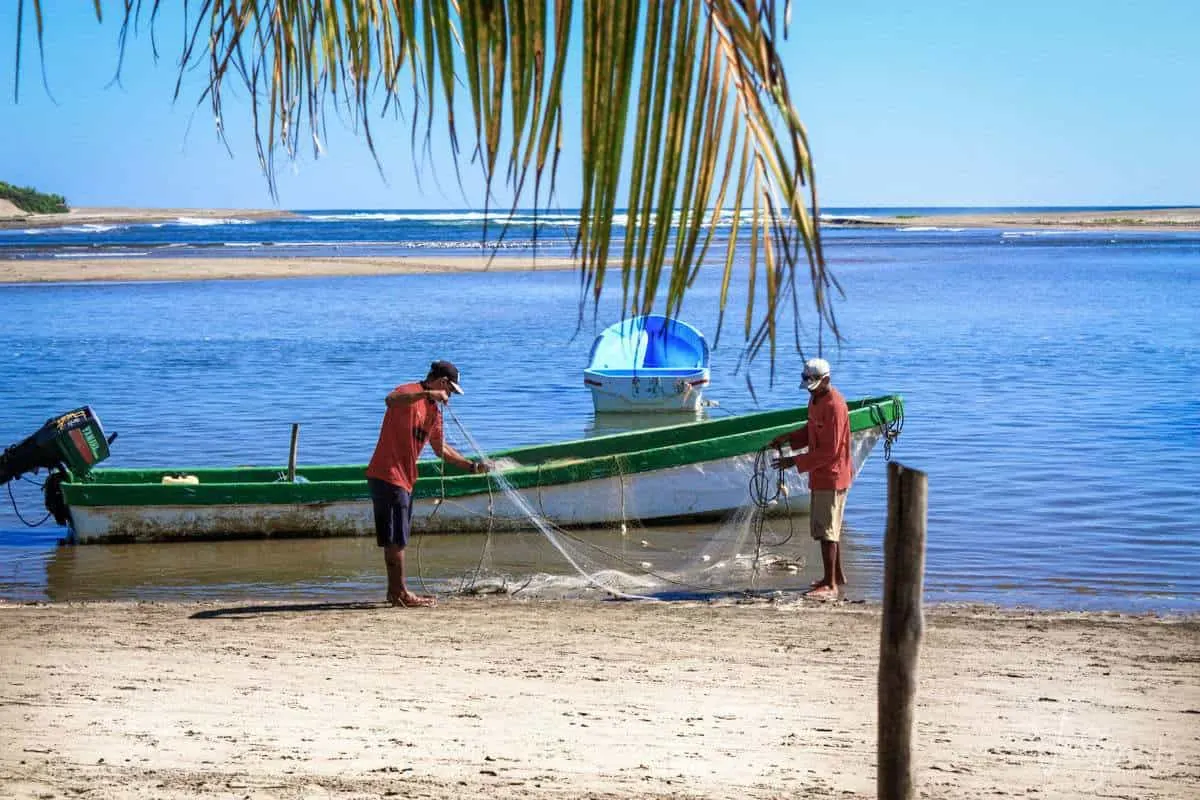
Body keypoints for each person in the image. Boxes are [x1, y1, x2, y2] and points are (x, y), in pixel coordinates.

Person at [366, 360, 488, 608]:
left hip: (406, 478)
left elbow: (440, 448)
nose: (450, 396)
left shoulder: (434, 411)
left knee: (398, 536)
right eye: (450, 390)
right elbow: (390, 400)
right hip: (387, 474)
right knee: (396, 539)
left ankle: (395, 592)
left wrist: (471, 467)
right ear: (442, 383)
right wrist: (426, 393)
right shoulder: (409, 392)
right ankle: (400, 593)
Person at [770, 357, 853, 600]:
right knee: (824, 528)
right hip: (819, 474)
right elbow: (810, 432)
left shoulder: (835, 406)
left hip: (833, 475)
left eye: (815, 385)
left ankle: (830, 585)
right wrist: (787, 438)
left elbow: (830, 451)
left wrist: (793, 461)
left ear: (826, 380)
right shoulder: (815, 400)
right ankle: (835, 576)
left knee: (828, 531)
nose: (811, 391)